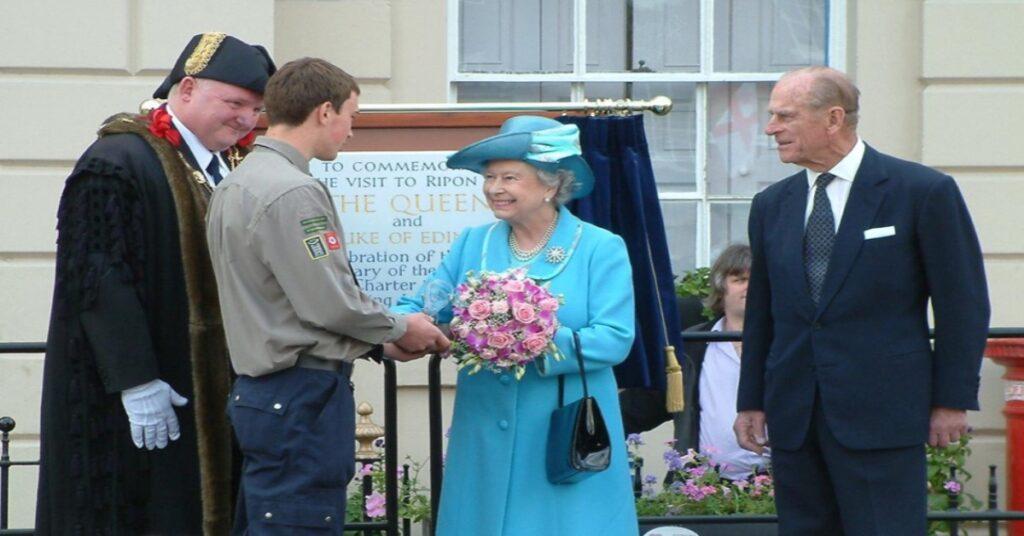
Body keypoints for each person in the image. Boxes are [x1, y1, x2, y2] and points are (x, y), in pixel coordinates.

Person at [734, 66, 990, 535]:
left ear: (833, 119)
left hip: (884, 414)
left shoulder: (921, 191)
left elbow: (962, 304)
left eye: (784, 116)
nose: (771, 128)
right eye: (772, 116)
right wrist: (751, 399)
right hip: (795, 415)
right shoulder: (771, 204)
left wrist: (951, 400)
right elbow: (762, 312)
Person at [36, 33, 275, 534]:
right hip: (130, 393)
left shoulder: (225, 169)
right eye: (234, 103)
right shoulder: (118, 160)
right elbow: (96, 276)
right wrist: (135, 379)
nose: (246, 119)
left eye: (256, 108)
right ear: (186, 89)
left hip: (204, 389)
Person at [205, 57, 449, 534]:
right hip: (300, 396)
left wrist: (377, 342)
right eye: (351, 117)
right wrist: (402, 327)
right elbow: (328, 302)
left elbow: (285, 301)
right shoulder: (292, 190)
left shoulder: (235, 182)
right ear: (323, 111)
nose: (351, 131)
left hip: (264, 393)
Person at [394, 115, 639, 535]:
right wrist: (412, 326)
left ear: (551, 184)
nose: (494, 188)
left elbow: (615, 338)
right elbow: (422, 306)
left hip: (559, 426)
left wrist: (529, 338)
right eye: (489, 177)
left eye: (510, 177)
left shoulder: (599, 247)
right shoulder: (474, 242)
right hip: (484, 425)